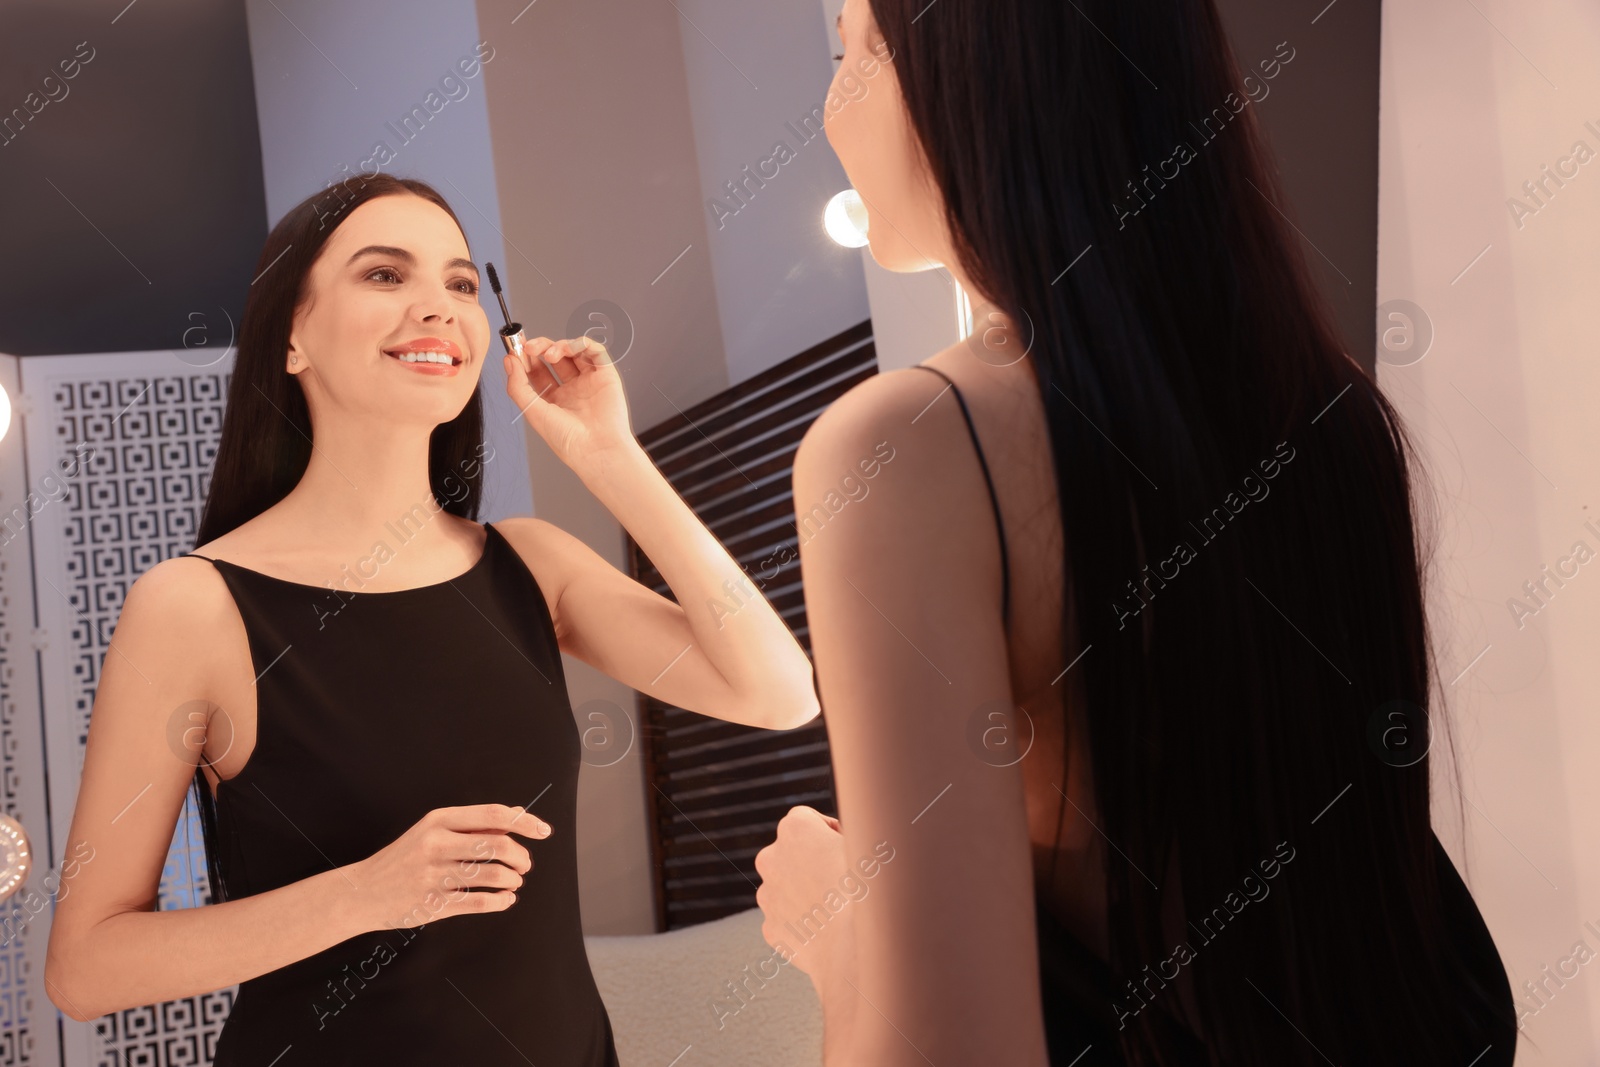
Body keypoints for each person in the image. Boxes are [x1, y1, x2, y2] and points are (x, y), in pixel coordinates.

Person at [752, 0, 1517, 1064]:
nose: (832, 109)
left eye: (851, 52)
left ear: (968, 76)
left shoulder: (909, 447)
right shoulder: (1338, 421)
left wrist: (838, 935)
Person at [42, 174, 819, 1064]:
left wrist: (611, 456)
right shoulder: (196, 605)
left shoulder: (531, 565)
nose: (438, 308)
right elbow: (86, 965)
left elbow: (779, 692)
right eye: (384, 275)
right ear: (292, 335)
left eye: (459, 283)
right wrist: (368, 894)